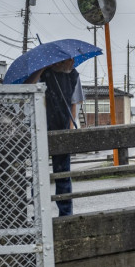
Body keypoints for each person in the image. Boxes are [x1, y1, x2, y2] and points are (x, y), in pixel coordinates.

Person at [26, 58, 84, 216]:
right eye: (69, 61)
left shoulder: (74, 75)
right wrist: (42, 68)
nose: (72, 64)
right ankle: (39, 215)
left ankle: (66, 214)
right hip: (39, 127)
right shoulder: (42, 73)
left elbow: (75, 102)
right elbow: (27, 89)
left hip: (62, 126)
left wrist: (69, 130)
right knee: (39, 174)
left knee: (63, 174)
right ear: (59, 62)